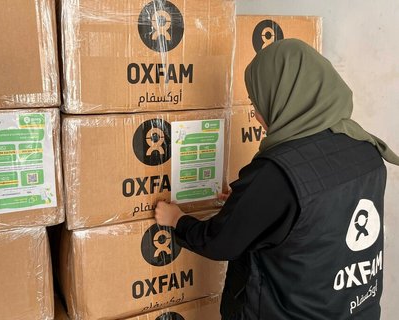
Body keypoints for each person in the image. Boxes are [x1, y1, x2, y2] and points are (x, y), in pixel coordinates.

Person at [155, 39, 399, 320]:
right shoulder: (364, 148)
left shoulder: (277, 172)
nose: (257, 115)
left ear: (283, 97)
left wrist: (177, 220)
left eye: (257, 102)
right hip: (356, 308)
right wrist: (250, 203)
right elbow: (317, 216)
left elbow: (221, 242)